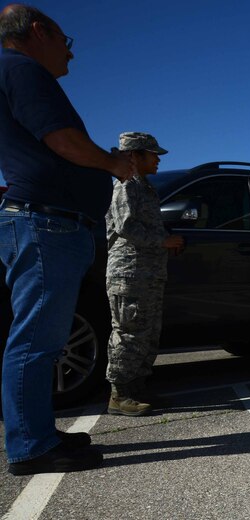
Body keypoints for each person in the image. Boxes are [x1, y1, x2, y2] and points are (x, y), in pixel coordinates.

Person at [0, 4, 133, 475]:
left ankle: (38, 432)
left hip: (50, 222)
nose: (71, 55)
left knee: (45, 339)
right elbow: (63, 141)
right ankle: (30, 447)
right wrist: (113, 164)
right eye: (66, 42)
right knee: (36, 340)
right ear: (39, 31)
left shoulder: (15, 72)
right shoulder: (22, 68)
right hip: (45, 223)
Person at [105, 132, 184, 416]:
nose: (158, 159)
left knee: (148, 333)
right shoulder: (125, 186)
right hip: (129, 273)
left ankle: (138, 388)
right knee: (128, 332)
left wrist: (165, 239)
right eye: (153, 154)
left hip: (148, 274)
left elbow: (146, 227)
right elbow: (126, 227)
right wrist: (163, 241)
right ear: (134, 156)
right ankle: (120, 394)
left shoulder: (145, 188)